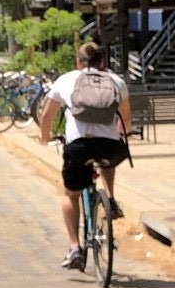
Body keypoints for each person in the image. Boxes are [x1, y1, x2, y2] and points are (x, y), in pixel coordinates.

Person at [35, 42, 133, 271]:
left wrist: (44, 137)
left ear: (78, 63)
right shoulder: (116, 81)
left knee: (71, 195)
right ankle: (109, 197)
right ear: (103, 62)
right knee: (107, 157)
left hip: (78, 145)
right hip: (109, 146)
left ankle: (74, 248)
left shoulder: (67, 80)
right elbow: (126, 120)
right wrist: (119, 134)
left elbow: (47, 115)